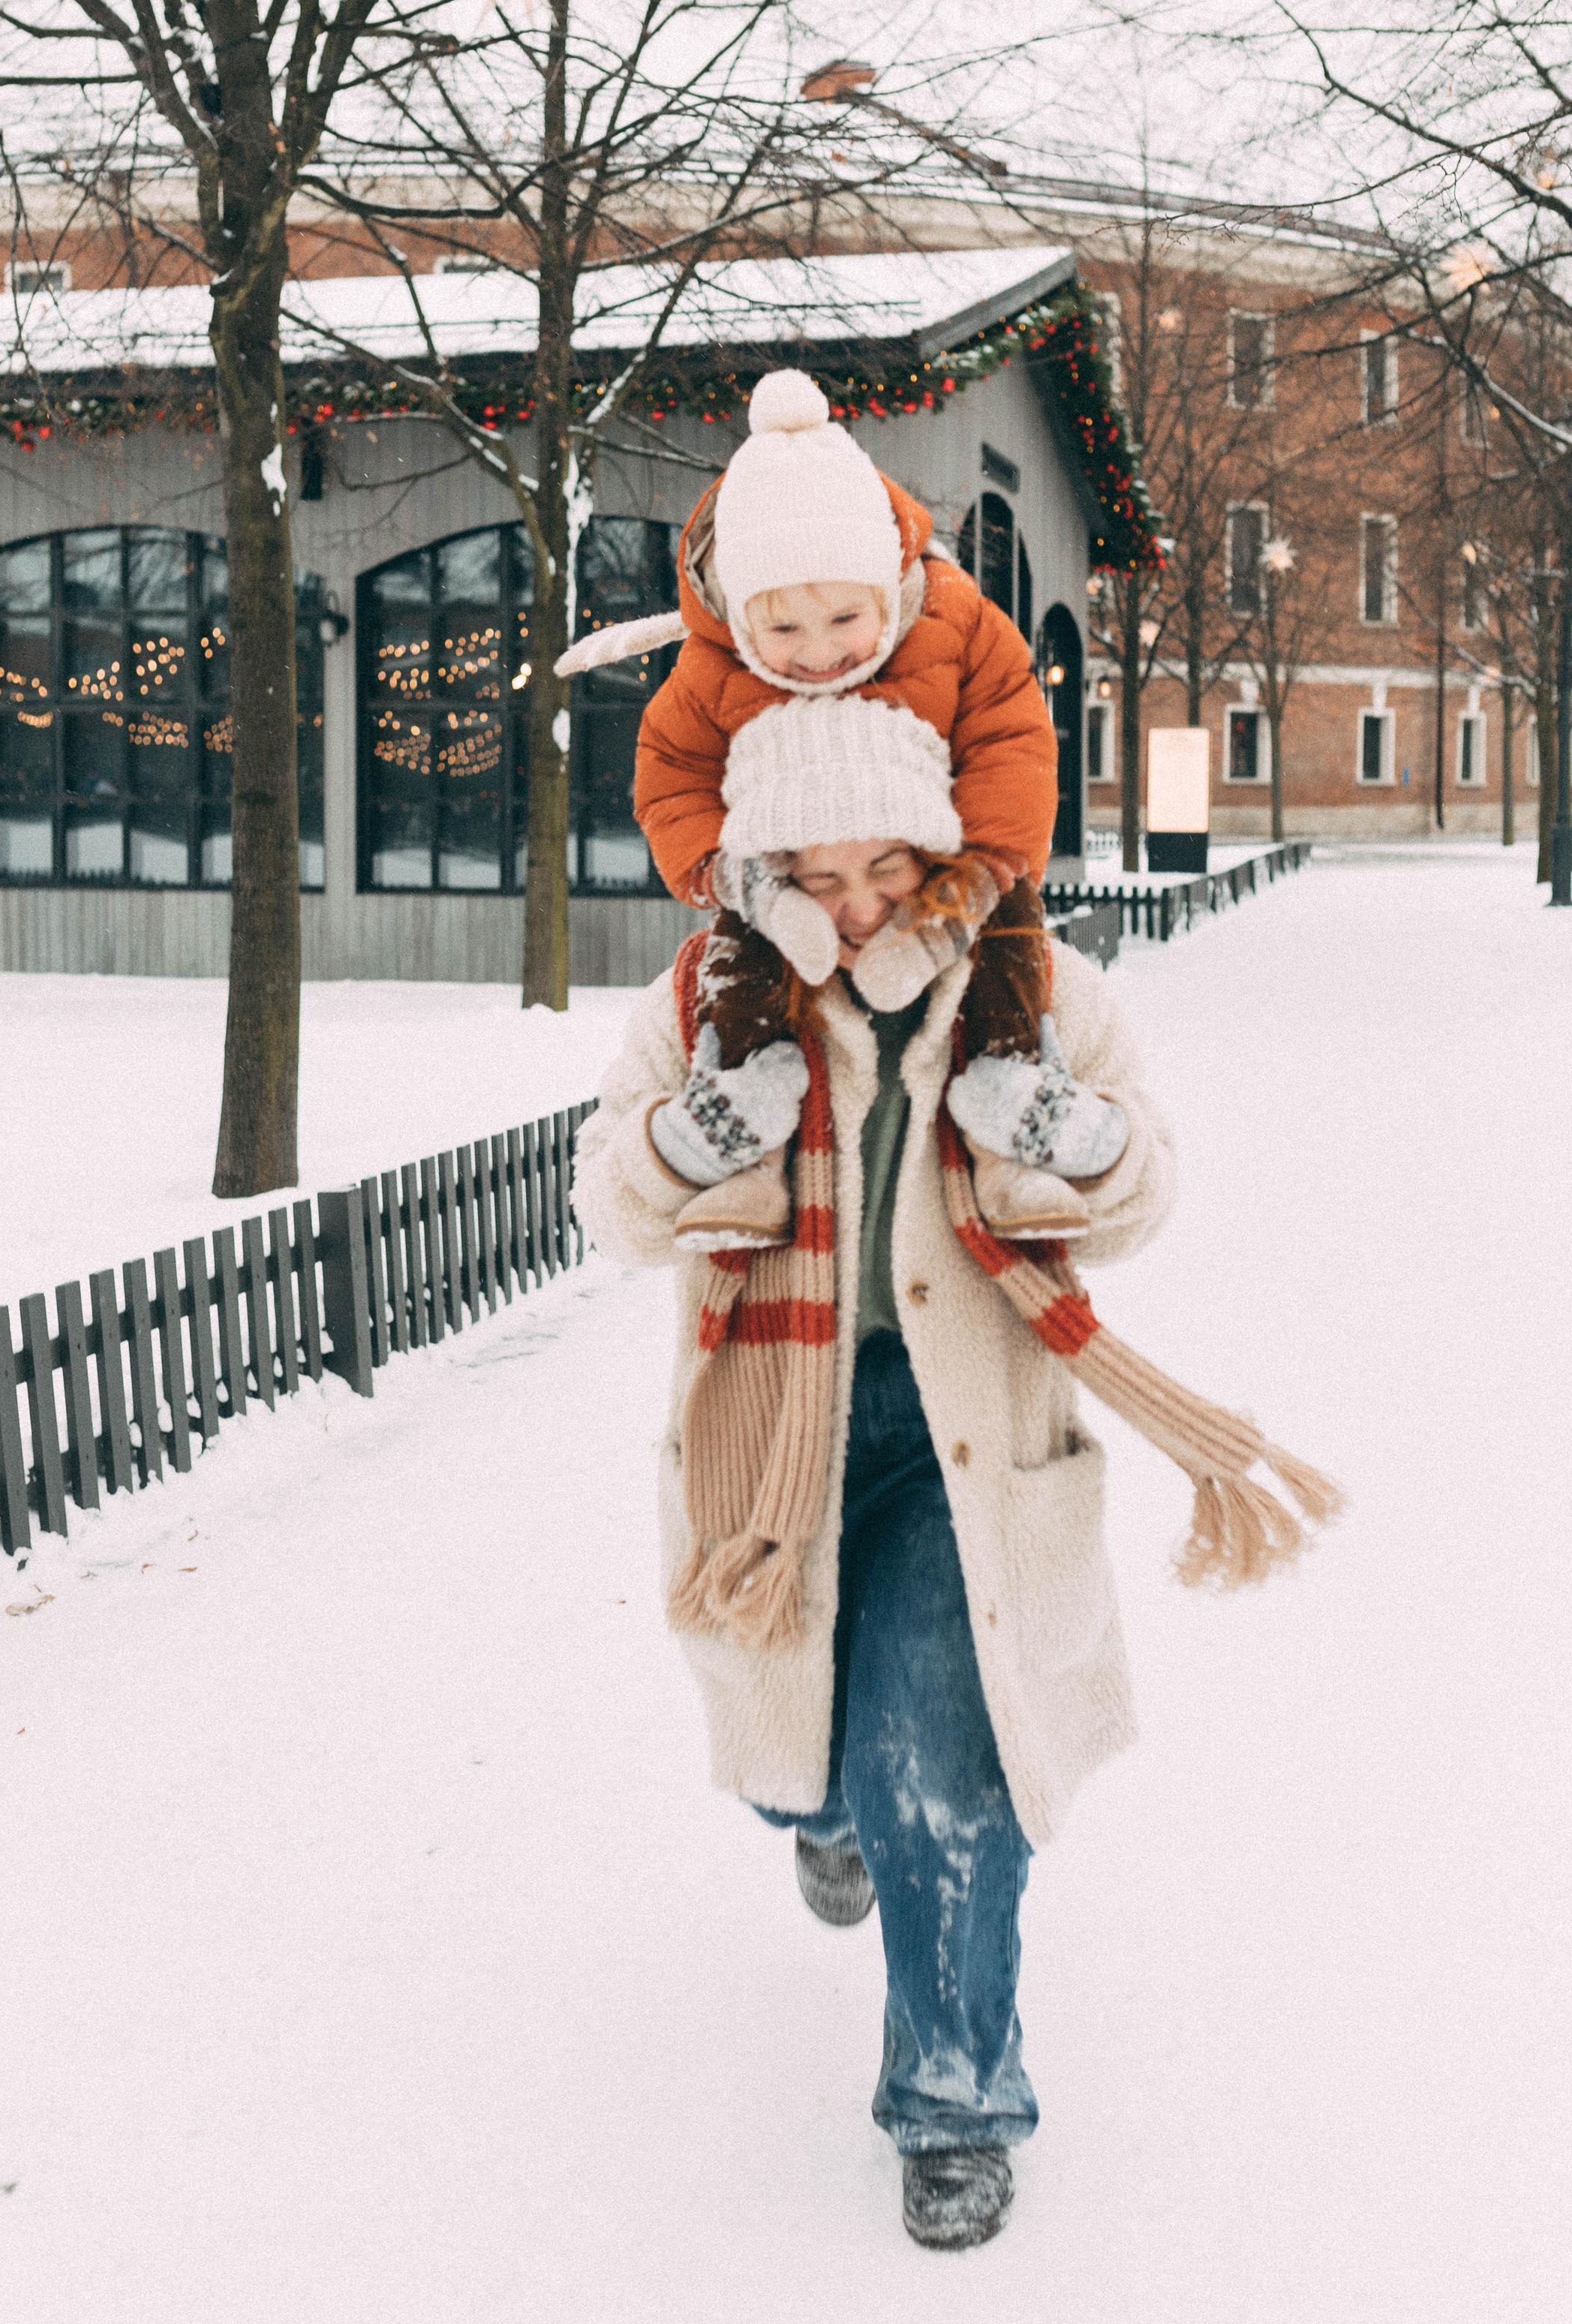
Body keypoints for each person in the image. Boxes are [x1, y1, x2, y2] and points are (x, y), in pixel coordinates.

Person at [575, 695, 1175, 2253]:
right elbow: (613, 1208)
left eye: (887, 870)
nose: (855, 910)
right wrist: (703, 1131)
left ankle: (954, 2099)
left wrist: (1059, 1125)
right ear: (763, 869)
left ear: (938, 856)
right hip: (776, 1435)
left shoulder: (1034, 990)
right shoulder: (714, 1001)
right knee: (816, 1764)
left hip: (959, 1441)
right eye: (816, 875)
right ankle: (820, 1814)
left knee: (941, 1761)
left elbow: (1139, 1193)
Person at [557, 369, 1076, 1250]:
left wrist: (980, 872)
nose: (819, 653)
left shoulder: (954, 621)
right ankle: (742, 1143)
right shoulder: (711, 670)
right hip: (771, 876)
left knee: (1009, 954)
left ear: (887, 586)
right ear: (736, 617)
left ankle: (1014, 1110)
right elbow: (672, 773)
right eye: (782, 631)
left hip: (956, 868)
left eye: (844, 618)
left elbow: (1010, 737)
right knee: (743, 966)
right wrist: (740, 880)